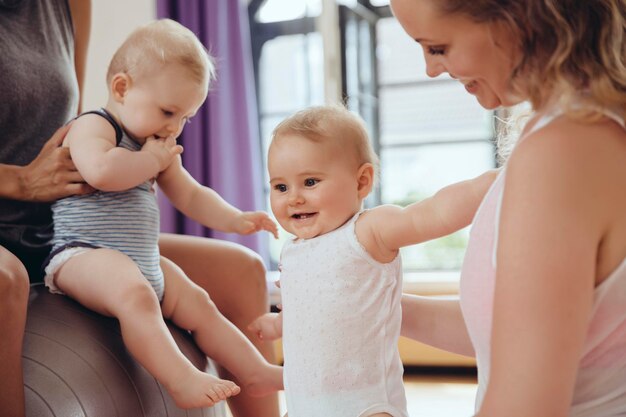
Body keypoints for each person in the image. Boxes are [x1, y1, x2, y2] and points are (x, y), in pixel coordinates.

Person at [0, 1, 280, 416]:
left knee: (200, 300)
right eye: (168, 112)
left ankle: (254, 371)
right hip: (81, 251)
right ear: (121, 88)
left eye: (185, 118)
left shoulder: (152, 142)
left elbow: (191, 194)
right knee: (134, 293)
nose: (174, 128)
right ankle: (181, 378)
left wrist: (236, 218)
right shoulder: (96, 126)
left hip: (132, 252)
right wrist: (21, 179)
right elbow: (99, 171)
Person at [389, 0, 626, 416]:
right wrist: (369, 303)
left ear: (519, 17)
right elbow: (517, 335)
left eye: (438, 47)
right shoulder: (584, 128)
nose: (430, 68)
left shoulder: (564, 152)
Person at [249, 105, 498, 417]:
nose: (293, 198)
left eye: (310, 182)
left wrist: (491, 184)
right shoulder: (294, 249)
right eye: (280, 187)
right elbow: (312, 312)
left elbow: (432, 214)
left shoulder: (367, 231)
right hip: (306, 404)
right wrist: (278, 324)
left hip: (364, 405)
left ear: (362, 182)